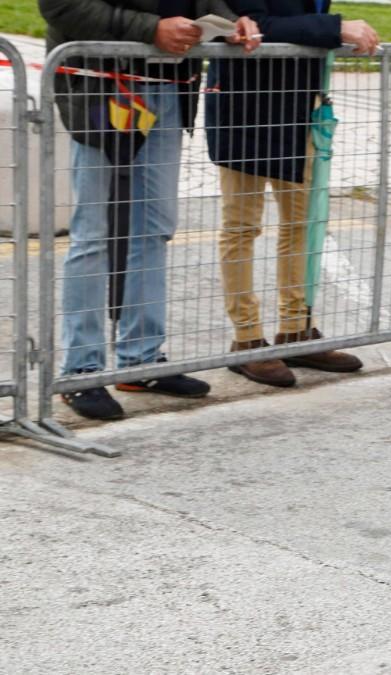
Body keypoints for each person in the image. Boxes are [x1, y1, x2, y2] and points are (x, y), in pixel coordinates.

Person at [40, 0, 259, 420]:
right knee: (95, 232)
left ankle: (141, 360)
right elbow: (59, 5)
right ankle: (81, 372)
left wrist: (230, 22)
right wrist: (150, 28)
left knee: (154, 227)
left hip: (166, 86)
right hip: (103, 85)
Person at [206, 0, 373, 388]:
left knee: (302, 223)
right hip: (243, 105)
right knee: (241, 228)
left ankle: (296, 330)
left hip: (299, 106)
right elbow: (255, 22)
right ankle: (247, 340)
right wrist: (337, 28)